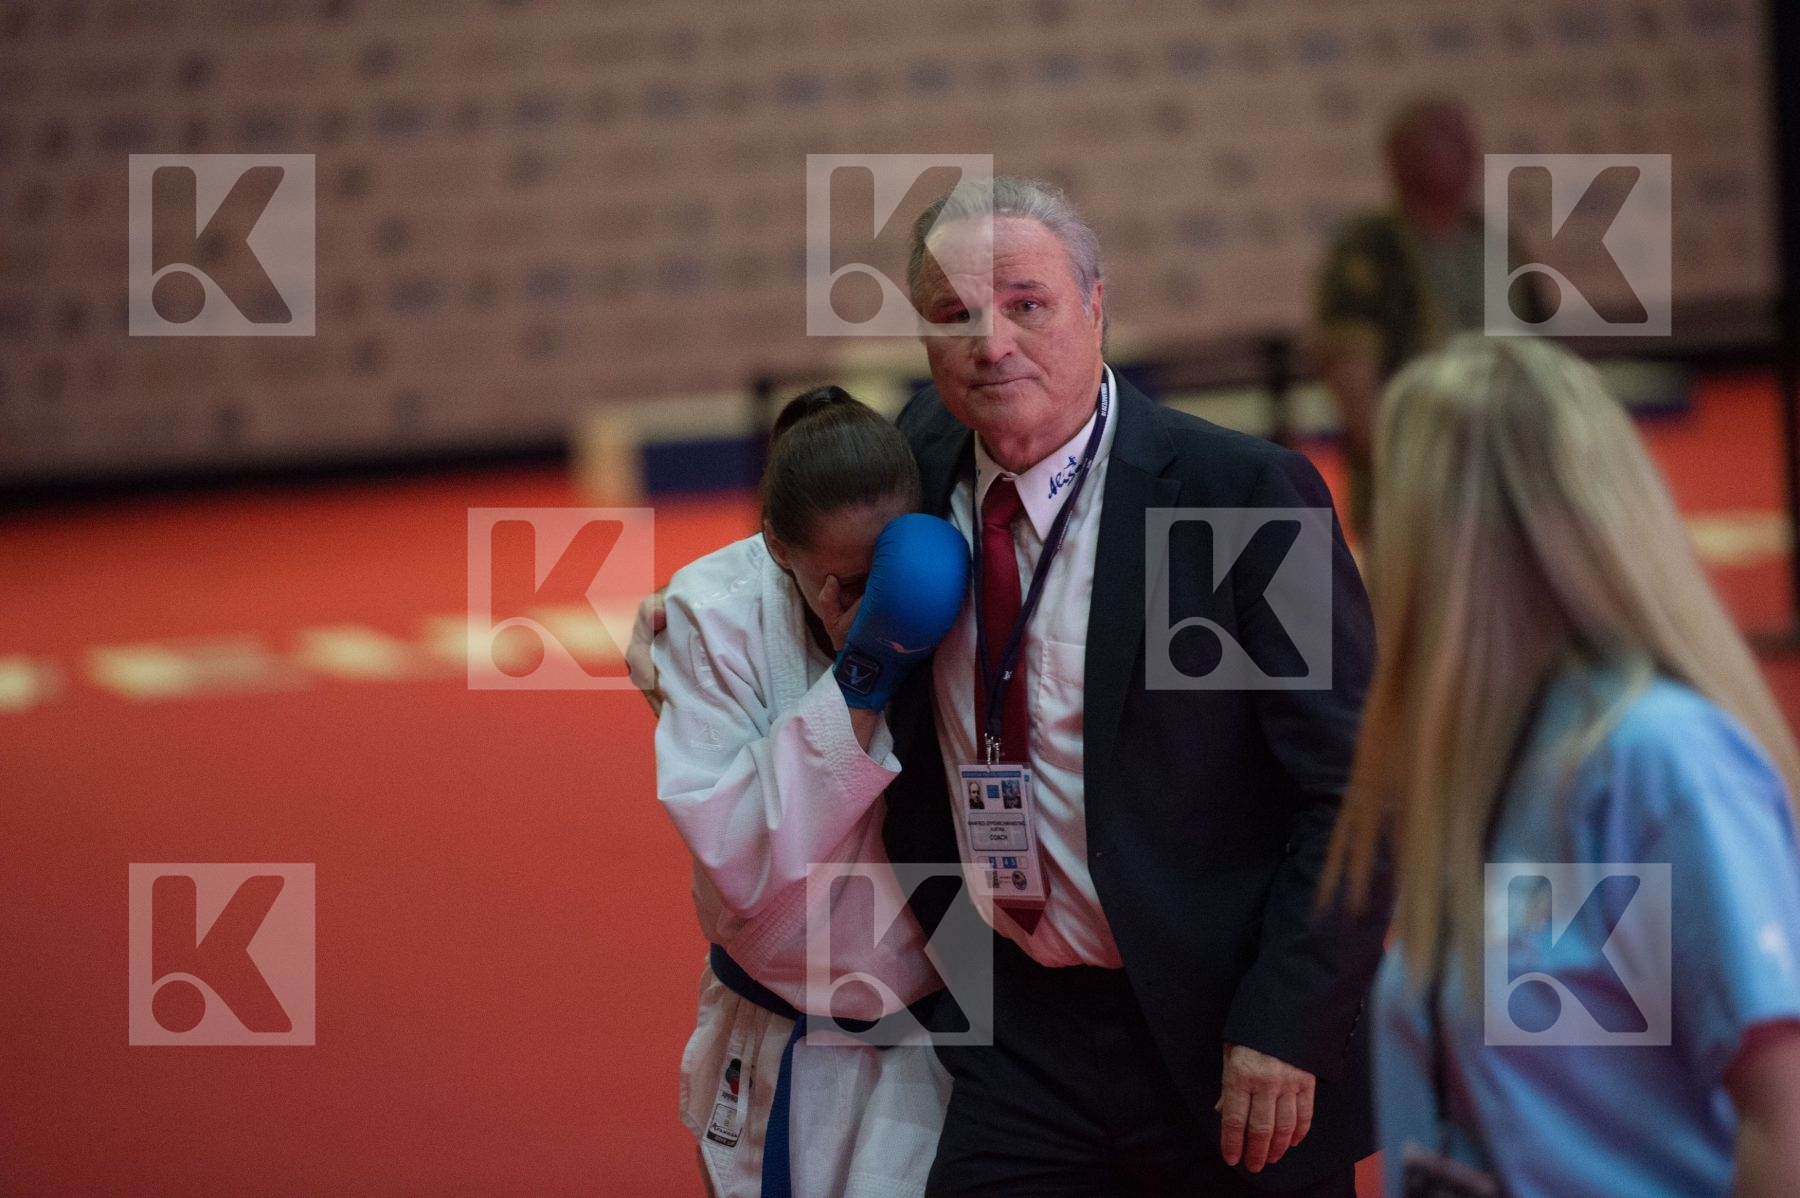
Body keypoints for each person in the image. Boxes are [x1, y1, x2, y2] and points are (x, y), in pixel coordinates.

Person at [879, 176, 1388, 1195]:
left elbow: (1358, 794)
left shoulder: (1239, 500)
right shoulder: (914, 461)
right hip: (1017, 1030)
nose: (991, 343)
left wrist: (1286, 1024)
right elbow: (788, 563)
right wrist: (682, 626)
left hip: (1223, 1040)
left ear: (1096, 304)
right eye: (955, 314)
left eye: (1028, 303)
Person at [1322, 335, 1800, 1196]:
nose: (1375, 540)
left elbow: (1787, 1121)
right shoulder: (1496, 762)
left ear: (1467, 537)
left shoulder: (1657, 760)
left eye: (1395, 502)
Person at [652, 387, 970, 1198]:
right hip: (783, 1027)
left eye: (881, 576)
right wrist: (858, 681)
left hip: (940, 1030)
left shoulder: (949, 579)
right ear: (775, 546)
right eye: (838, 580)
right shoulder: (712, 615)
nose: (861, 604)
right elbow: (741, 859)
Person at [1311, 97, 1548, 540]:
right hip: (1413, 493)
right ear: (1397, 158)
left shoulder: (1499, 246)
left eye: (1458, 138)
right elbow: (1355, 389)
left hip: (1513, 484)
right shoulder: (1369, 252)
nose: (1451, 150)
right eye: (1433, 139)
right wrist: (1420, 473)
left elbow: (1547, 367)